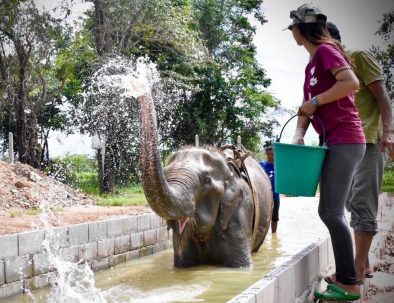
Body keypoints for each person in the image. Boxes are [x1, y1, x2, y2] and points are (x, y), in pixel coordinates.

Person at [286, 3, 366, 301]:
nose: (291, 33)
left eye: (292, 27)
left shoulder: (325, 51)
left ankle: (349, 283)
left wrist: (317, 101)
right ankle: (347, 279)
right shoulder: (311, 65)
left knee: (333, 212)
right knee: (328, 210)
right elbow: (306, 106)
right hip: (332, 140)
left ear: (300, 28)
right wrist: (297, 136)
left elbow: (351, 83)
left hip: (346, 137)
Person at [325, 22, 394, 285]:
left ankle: (354, 271)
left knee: (362, 202)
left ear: (331, 40)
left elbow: (383, 97)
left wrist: (389, 133)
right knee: (349, 203)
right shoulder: (334, 74)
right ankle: (363, 262)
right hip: (347, 145)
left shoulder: (360, 58)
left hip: (369, 141)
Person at [260, 146, 280, 233]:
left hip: (275, 196)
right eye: (268, 154)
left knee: (274, 218)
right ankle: (263, 236)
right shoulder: (261, 164)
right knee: (264, 217)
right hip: (264, 196)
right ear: (266, 154)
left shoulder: (279, 165)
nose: (270, 156)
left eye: (272, 154)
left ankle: (274, 235)